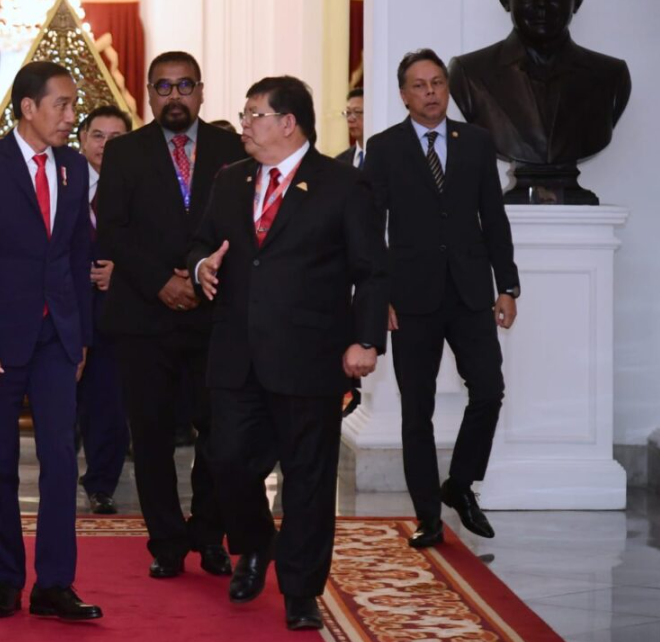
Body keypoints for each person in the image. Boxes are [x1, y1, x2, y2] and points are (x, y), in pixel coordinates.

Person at [190, 76, 387, 630]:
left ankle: (300, 590)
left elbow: (372, 270)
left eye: (254, 114)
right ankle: (256, 544)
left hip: (310, 354)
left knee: (308, 478)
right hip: (235, 352)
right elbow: (202, 240)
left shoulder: (342, 184)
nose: (245, 124)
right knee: (228, 461)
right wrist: (201, 266)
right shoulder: (230, 180)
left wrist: (367, 340)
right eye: (245, 114)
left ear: (288, 123)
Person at [0, 61, 102, 621]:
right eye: (62, 104)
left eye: (73, 105)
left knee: (61, 458)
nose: (71, 116)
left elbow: (77, 256)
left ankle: (55, 584)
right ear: (29, 108)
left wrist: (80, 336)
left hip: (56, 337)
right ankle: (7, 579)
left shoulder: (73, 167)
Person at [96, 50, 247, 580]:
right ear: (148, 94)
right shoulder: (125, 152)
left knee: (219, 433)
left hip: (214, 314)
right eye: (163, 87)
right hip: (143, 316)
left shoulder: (233, 148)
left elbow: (243, 226)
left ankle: (209, 534)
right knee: (152, 436)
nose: (175, 96)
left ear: (201, 92)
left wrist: (199, 276)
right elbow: (111, 229)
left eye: (185, 86)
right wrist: (161, 280)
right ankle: (165, 542)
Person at [364, 49, 520, 550]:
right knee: (418, 411)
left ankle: (460, 482)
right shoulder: (383, 148)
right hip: (409, 298)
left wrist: (507, 285)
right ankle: (428, 517)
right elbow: (370, 229)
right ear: (403, 95)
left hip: (470, 292)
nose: (431, 92)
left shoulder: (475, 142)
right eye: (419, 85)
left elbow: (493, 217)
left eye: (437, 83)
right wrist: (377, 296)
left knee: (489, 390)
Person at [448, 0, 630, 166]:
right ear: (505, 1)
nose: (541, 4)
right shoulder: (468, 74)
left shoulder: (611, 76)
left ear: (577, 2)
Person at [75, 105, 132, 515]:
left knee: (109, 403)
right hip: (65, 309)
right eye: (98, 136)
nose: (106, 146)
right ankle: (58, 476)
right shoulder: (61, 181)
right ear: (82, 140)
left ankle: (101, 484)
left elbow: (158, 245)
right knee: (61, 402)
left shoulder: (139, 186)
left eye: (117, 138)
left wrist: (123, 272)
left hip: (117, 313)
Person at [335, 87, 365, 168]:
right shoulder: (339, 161)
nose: (350, 119)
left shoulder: (384, 157)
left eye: (357, 112)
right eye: (348, 113)